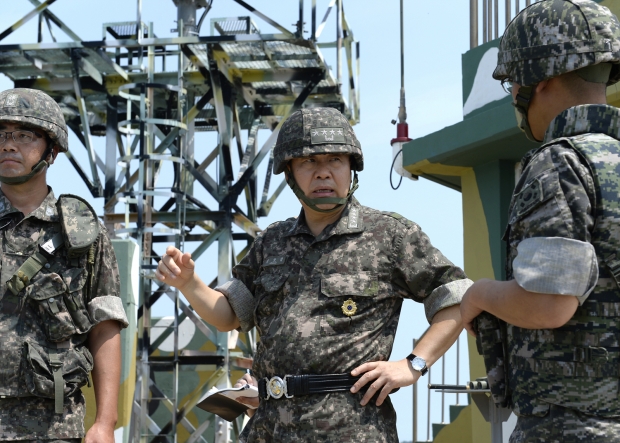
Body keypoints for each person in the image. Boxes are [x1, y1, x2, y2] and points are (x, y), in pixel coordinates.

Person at [157, 107, 472, 442]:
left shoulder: (389, 236)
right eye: (309, 162)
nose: (323, 173)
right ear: (290, 172)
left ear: (351, 167)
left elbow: (458, 296)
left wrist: (412, 365)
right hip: (269, 428)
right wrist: (189, 284)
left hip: (349, 429)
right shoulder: (270, 242)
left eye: (335, 160)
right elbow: (229, 315)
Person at [459, 0, 620, 441]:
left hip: (573, 426)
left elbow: (548, 303)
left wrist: (480, 295)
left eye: (513, 81)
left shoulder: (560, 162)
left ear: (539, 79)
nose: (513, 94)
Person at [0, 88, 128, 443]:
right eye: (1, 134)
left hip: (54, 429)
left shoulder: (81, 234)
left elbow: (105, 326)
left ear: (51, 150)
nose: (9, 144)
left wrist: (104, 423)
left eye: (25, 134)